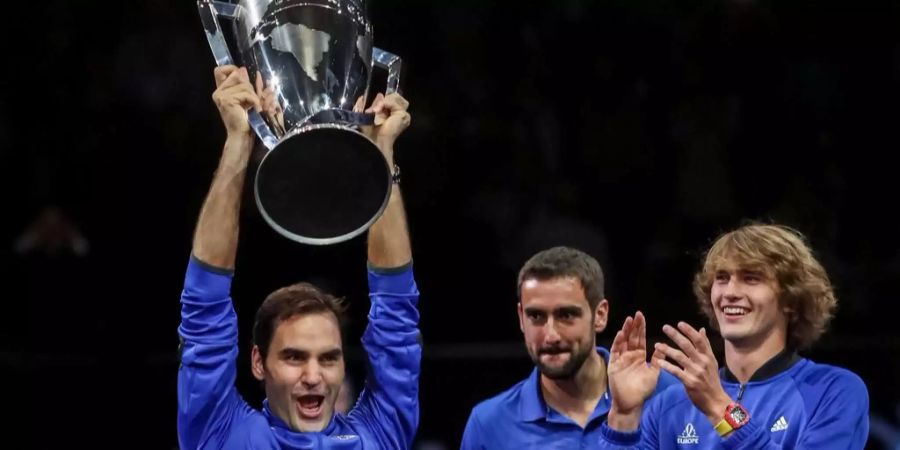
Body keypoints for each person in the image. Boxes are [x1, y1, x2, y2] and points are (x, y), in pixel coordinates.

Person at [177, 65, 418, 449]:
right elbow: (204, 306)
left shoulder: (377, 436)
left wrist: (380, 153)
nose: (313, 375)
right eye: (293, 357)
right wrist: (239, 141)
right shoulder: (222, 434)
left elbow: (397, 318)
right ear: (259, 363)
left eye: (328, 358)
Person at [600, 223, 869, 448]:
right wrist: (623, 416)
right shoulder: (670, 405)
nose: (730, 292)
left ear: (791, 300)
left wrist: (719, 406)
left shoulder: (833, 391)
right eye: (722, 278)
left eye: (751, 278)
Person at [461, 246, 678, 449]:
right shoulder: (489, 423)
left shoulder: (668, 396)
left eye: (566, 315)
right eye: (536, 316)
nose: (551, 336)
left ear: (600, 315)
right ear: (520, 317)